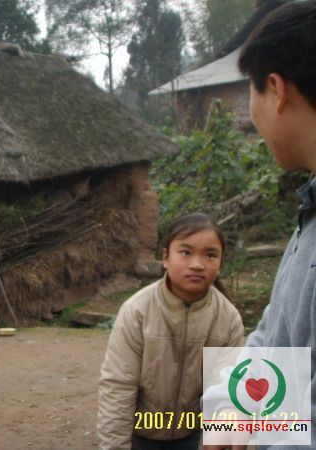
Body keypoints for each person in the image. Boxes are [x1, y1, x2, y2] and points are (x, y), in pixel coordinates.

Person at [204, 1, 316, 449]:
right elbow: (275, 336)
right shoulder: (308, 216)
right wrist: (234, 407)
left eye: (247, 91)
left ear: (275, 89)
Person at [97, 212, 244, 450]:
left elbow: (226, 388)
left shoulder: (228, 319)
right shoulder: (137, 311)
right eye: (186, 252)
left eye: (210, 255)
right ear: (165, 257)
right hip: (140, 435)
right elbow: (118, 386)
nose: (197, 264)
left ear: (220, 261)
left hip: (190, 436)